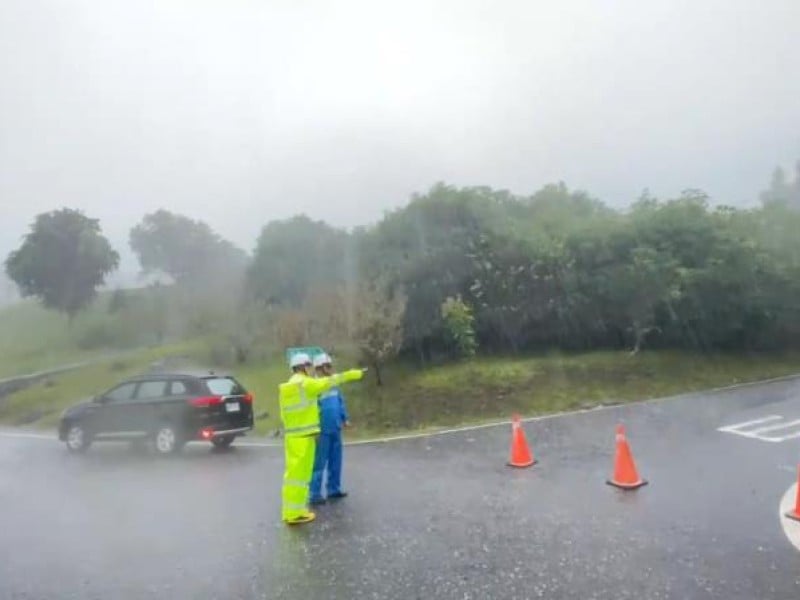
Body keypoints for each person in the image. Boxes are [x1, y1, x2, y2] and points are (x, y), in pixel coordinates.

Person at [278, 352, 364, 525]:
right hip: (312, 434)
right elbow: (328, 384)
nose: (310, 369)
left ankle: (303, 506)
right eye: (308, 366)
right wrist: (350, 374)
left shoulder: (290, 387)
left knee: (304, 474)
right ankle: (306, 501)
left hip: (306, 434)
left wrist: (343, 418)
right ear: (304, 367)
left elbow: (285, 415)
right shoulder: (309, 385)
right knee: (310, 470)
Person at [310, 353, 351, 505]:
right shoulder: (313, 387)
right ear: (319, 369)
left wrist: (344, 418)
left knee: (336, 461)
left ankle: (333, 489)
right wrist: (314, 430)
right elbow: (311, 410)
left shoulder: (333, 384)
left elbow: (340, 402)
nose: (330, 369)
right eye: (327, 367)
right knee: (319, 463)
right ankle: (314, 494)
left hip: (335, 427)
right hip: (322, 431)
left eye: (330, 366)